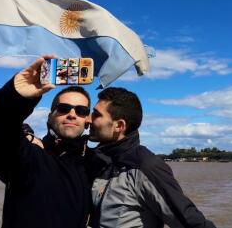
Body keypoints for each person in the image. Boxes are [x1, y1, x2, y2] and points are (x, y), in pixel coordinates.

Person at [0, 57, 92, 228]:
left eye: (81, 110)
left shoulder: (94, 162)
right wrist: (15, 96)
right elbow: (0, 130)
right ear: (50, 116)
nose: (72, 114)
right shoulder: (29, 156)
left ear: (88, 120)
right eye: (63, 108)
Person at [86, 87, 217, 228]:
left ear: (119, 125)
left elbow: (191, 222)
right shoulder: (98, 160)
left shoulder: (145, 166)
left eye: (96, 115)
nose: (88, 119)